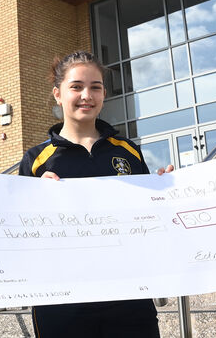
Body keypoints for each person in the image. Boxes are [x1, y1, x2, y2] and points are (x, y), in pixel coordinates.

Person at [18, 50, 162, 338]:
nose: (87, 95)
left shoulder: (128, 151)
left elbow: (149, 219)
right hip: (63, 303)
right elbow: (18, 230)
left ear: (104, 94)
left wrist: (166, 191)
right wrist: (34, 201)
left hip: (128, 296)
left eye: (95, 87)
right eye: (76, 87)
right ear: (58, 94)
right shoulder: (37, 159)